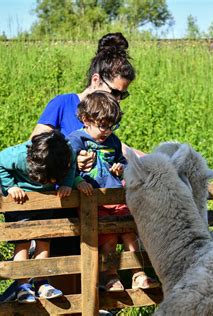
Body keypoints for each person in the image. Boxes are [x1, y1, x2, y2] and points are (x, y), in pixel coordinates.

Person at [29, 32, 140, 295]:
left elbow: (119, 149)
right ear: (95, 80)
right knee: (64, 292)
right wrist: (68, 161)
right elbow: (35, 146)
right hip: (63, 212)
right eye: (115, 92)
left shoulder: (106, 118)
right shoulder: (63, 104)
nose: (118, 99)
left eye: (123, 96)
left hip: (95, 214)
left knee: (89, 295)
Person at [67, 91, 158, 291]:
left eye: (112, 126)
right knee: (108, 238)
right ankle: (110, 277)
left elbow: (123, 161)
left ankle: (138, 274)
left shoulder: (113, 141)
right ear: (85, 119)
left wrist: (121, 168)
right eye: (103, 126)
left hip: (116, 196)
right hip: (95, 200)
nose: (107, 131)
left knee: (129, 232)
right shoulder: (76, 140)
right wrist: (77, 180)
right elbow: (67, 166)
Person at [0, 130, 75, 303]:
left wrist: (66, 183)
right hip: (20, 202)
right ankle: (22, 286)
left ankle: (41, 283)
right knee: (22, 243)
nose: (51, 181)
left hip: (46, 201)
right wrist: (11, 186)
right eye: (48, 178)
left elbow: (72, 164)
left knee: (45, 240)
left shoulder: (67, 154)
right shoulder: (19, 155)